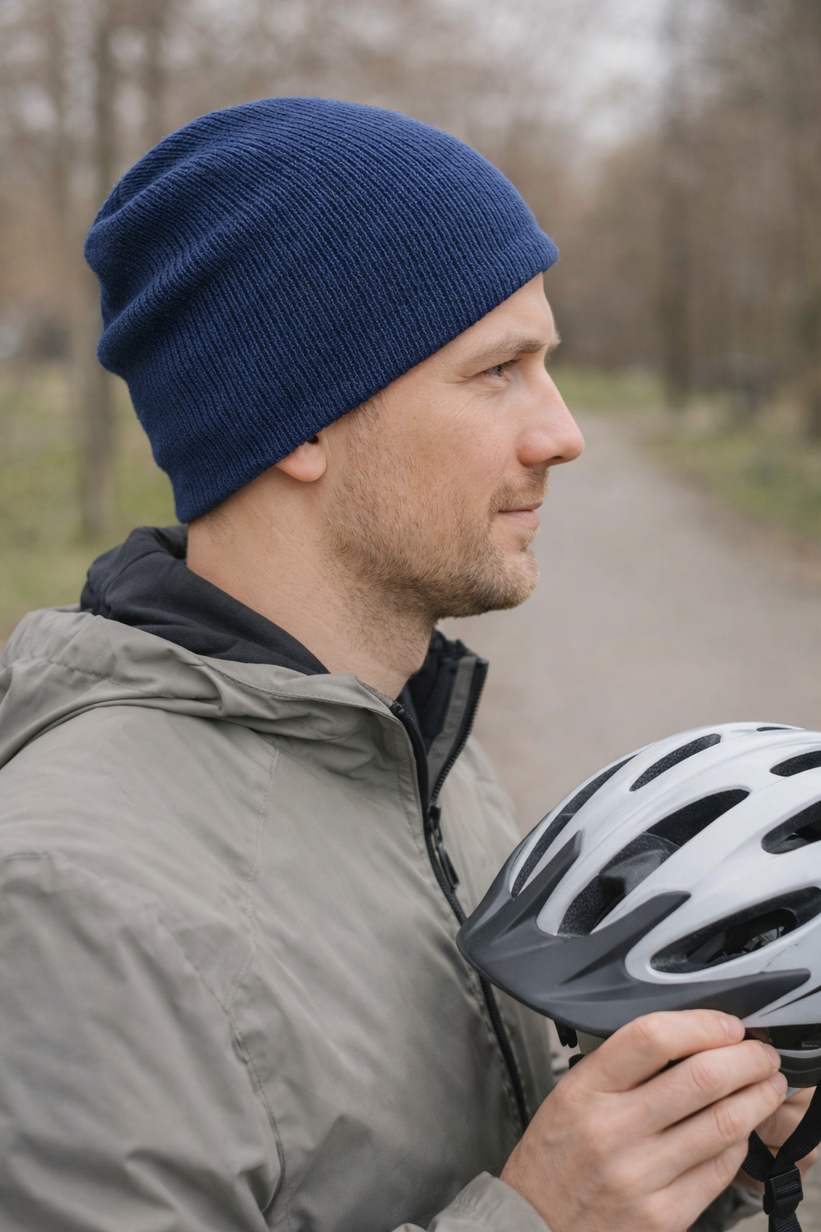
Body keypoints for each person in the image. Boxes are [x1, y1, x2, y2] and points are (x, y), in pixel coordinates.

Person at [0, 97, 802, 1232]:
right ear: (299, 419)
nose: (562, 432)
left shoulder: (409, 746)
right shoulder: (71, 900)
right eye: (497, 370)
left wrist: (703, 1155)